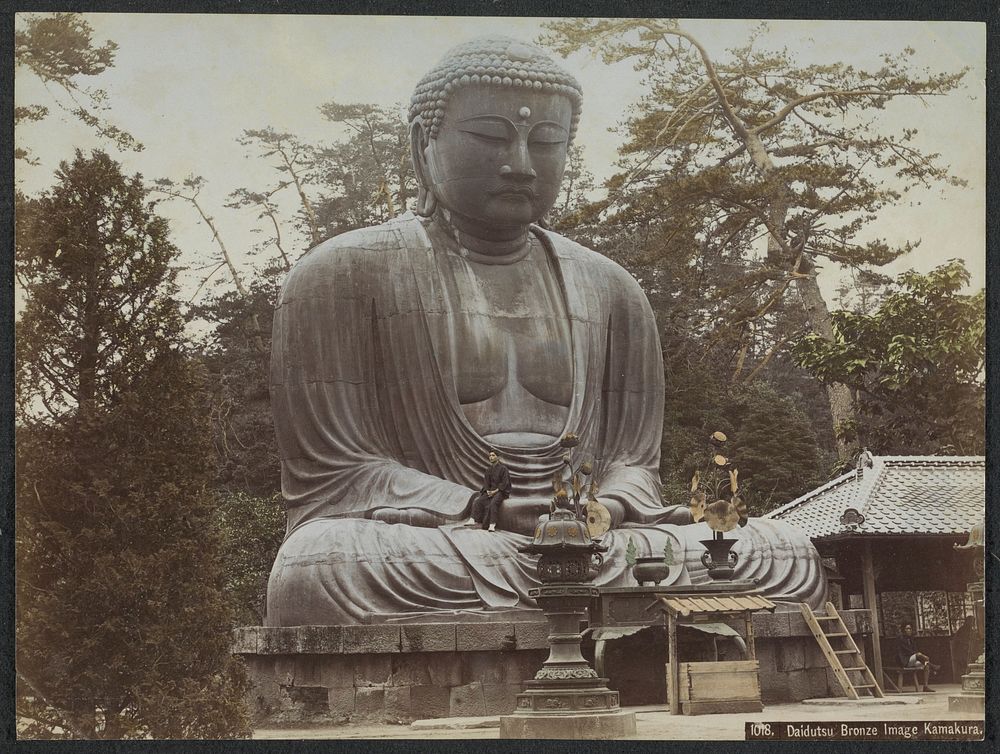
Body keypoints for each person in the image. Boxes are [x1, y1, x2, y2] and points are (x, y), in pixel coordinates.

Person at [264, 36, 827, 626]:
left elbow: (634, 462)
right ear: (421, 145)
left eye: (547, 142)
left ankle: (591, 586)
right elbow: (339, 472)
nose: (521, 164)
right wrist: (485, 509)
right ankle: (610, 599)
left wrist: (604, 508)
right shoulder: (341, 274)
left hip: (597, 540)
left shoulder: (612, 289)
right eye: (489, 137)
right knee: (319, 564)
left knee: (783, 550)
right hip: (454, 538)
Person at [897, 623, 940, 692]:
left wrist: (919, 654)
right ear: (903, 630)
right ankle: (933, 667)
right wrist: (920, 655)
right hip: (905, 661)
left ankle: (925, 686)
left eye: (910, 629)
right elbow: (908, 651)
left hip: (912, 660)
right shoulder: (901, 639)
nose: (909, 630)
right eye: (907, 629)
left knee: (926, 665)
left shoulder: (911, 639)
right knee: (919, 655)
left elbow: (915, 650)